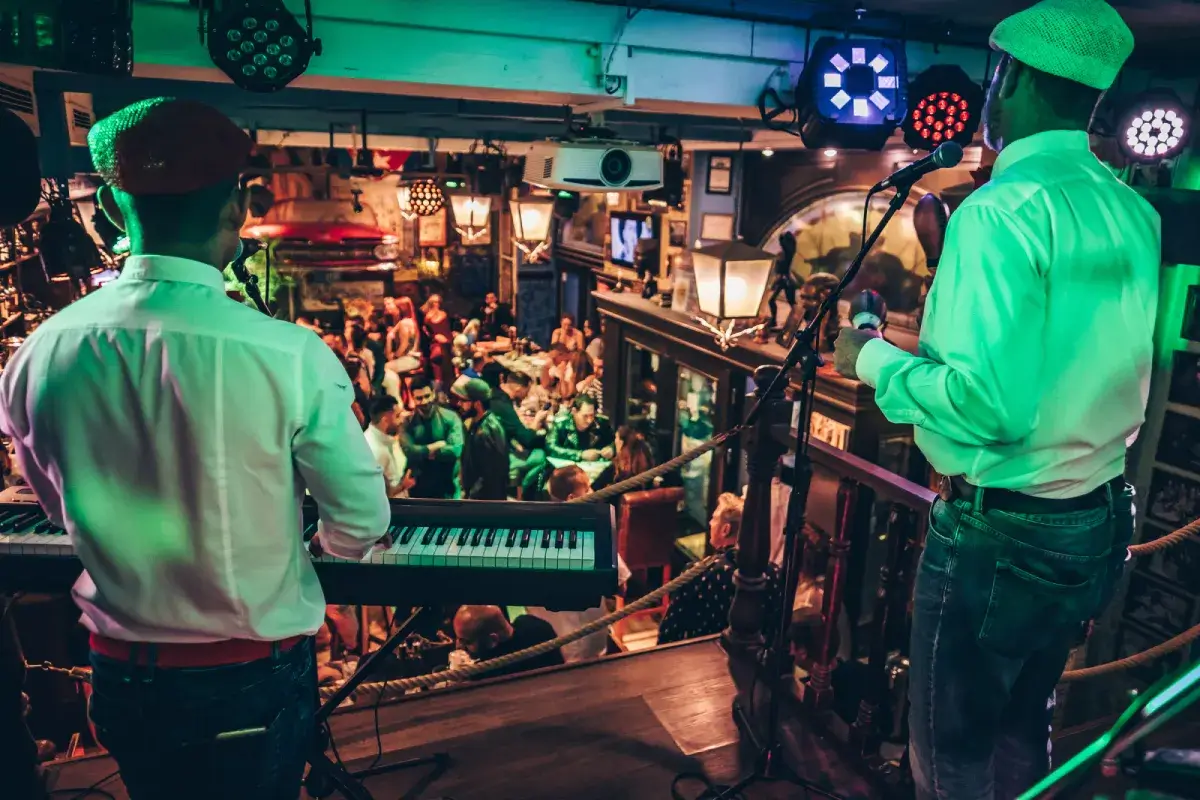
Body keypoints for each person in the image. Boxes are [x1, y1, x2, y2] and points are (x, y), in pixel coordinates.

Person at [0, 98, 391, 800]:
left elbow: (60, 510)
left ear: (114, 212)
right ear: (239, 205)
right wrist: (314, 551)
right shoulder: (288, 355)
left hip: (120, 671)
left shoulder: (37, 354)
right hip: (250, 674)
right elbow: (360, 525)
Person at [831, 4, 1156, 797]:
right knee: (1023, 724)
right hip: (1097, 514)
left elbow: (989, 407)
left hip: (1004, 535)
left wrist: (869, 357)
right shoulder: (1132, 208)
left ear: (1008, 79)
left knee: (948, 758)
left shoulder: (1000, 212)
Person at [658, 493, 783, 646]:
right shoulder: (774, 573)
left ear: (725, 529)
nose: (710, 523)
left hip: (701, 658)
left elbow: (670, 630)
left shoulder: (700, 572)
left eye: (714, 518)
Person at [452, 606, 563, 679]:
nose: (459, 646)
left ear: (493, 639)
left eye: (466, 641)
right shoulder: (536, 625)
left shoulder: (487, 672)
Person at [399, 376, 464, 500]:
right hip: (419, 489)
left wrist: (422, 452)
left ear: (433, 393)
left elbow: (455, 450)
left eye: (427, 396)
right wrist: (433, 448)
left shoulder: (450, 417)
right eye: (419, 398)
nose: (424, 401)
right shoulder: (408, 422)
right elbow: (409, 451)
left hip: (447, 488)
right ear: (412, 398)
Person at [490, 371, 549, 496]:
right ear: (518, 388)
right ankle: (525, 495)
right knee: (541, 456)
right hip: (500, 457)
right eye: (526, 392)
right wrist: (537, 420)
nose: (526, 396)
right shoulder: (502, 405)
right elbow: (527, 439)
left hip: (497, 449)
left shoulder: (496, 395)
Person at [453, 378, 509, 501]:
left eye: (463, 401)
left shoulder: (486, 432)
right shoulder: (477, 423)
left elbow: (491, 475)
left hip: (485, 503)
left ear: (477, 404)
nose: (459, 404)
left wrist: (472, 497)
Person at [364, 395, 413, 499]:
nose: (402, 420)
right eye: (398, 416)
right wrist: (403, 486)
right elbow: (374, 495)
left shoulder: (389, 437)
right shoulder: (373, 451)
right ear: (385, 420)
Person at [547, 395, 615, 463]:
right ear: (574, 411)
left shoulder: (601, 423)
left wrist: (611, 449)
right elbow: (550, 448)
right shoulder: (561, 423)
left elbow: (615, 441)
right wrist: (580, 455)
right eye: (585, 416)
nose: (589, 420)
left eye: (592, 415)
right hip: (567, 468)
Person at [766, 230, 798, 329]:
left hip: (785, 280)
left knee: (791, 303)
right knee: (772, 301)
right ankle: (774, 320)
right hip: (783, 279)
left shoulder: (787, 254)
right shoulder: (784, 253)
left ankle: (797, 320)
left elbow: (781, 270)